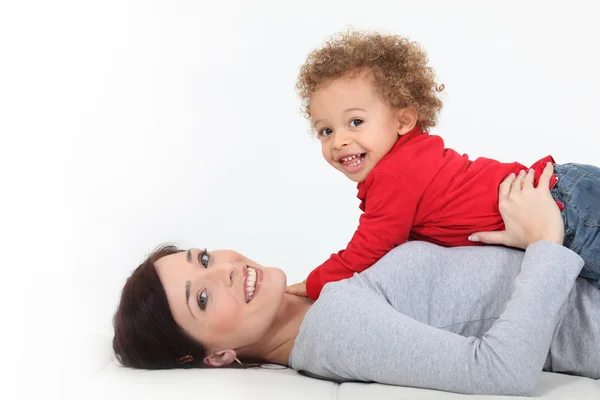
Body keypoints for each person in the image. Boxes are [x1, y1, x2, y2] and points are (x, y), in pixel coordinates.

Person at [113, 163, 600, 396]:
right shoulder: (333, 330)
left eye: (203, 258)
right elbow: (502, 370)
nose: (223, 270)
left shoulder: (322, 291)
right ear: (216, 357)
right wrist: (543, 243)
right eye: (201, 297)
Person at [287, 30, 600, 300]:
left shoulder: (393, 176)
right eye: (326, 130)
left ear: (403, 119)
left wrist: (312, 283)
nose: (339, 140)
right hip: (563, 187)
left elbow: (369, 249)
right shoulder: (415, 157)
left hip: (561, 211)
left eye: (355, 121)